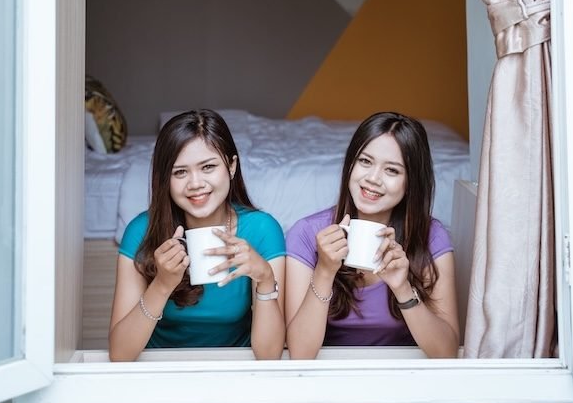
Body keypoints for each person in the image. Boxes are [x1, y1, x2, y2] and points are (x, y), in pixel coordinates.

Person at [109, 109, 286, 360]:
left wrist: (265, 278)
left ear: (232, 166)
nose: (195, 184)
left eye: (208, 167)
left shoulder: (262, 230)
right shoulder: (141, 231)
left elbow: (269, 356)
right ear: (165, 179)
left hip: (234, 369)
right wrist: (162, 285)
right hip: (160, 369)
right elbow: (120, 354)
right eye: (180, 172)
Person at [285, 111, 459, 358]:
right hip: (328, 373)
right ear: (350, 164)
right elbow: (300, 354)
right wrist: (324, 271)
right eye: (365, 161)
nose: (373, 179)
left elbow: (446, 352)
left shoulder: (431, 236)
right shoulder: (306, 233)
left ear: (411, 183)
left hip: (402, 373)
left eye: (392, 170)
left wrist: (402, 288)